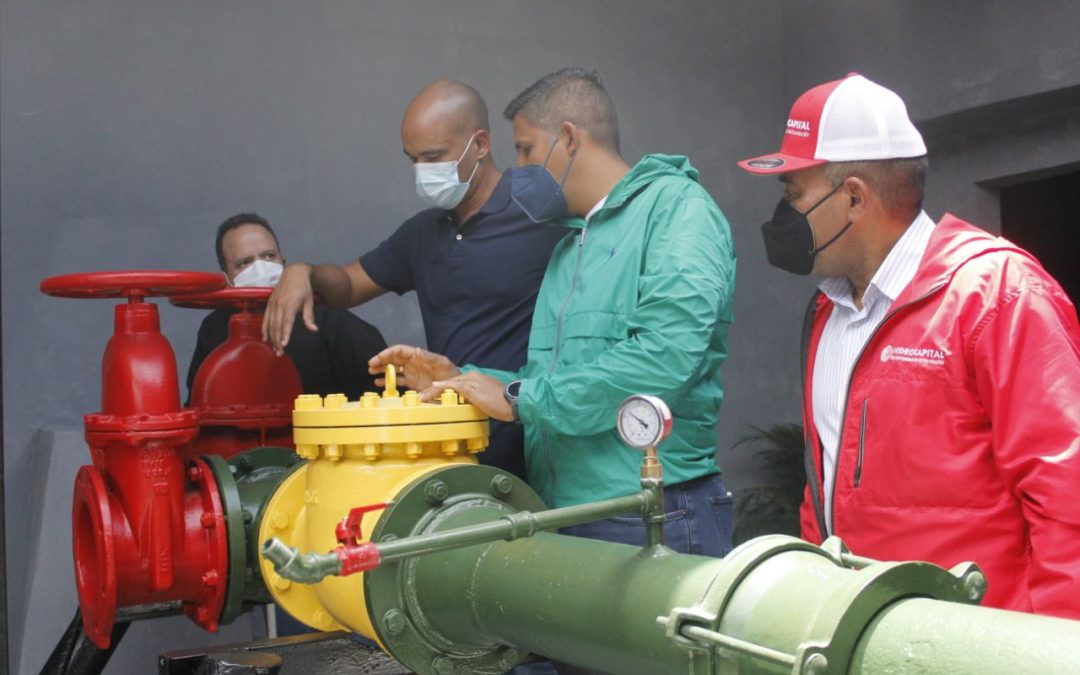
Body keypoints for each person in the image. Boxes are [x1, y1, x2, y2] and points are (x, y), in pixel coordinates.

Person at [737, 73, 1080, 618]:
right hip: (860, 634)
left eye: (793, 193)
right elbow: (820, 485)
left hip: (979, 643)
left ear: (852, 197)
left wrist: (1053, 652)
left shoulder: (997, 294)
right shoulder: (827, 310)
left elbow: (1067, 497)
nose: (783, 215)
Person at [370, 67, 737, 558]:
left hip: (653, 512)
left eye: (524, 149)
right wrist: (467, 378)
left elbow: (662, 358)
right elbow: (555, 380)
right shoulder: (572, 243)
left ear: (567, 138)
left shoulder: (677, 211)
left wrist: (520, 398)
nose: (517, 168)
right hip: (566, 512)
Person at [263, 80, 565, 482]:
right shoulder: (423, 234)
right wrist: (304, 271)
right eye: (413, 159)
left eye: (434, 157)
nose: (422, 172)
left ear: (480, 144)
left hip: (534, 442)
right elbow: (349, 285)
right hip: (454, 446)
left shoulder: (541, 209)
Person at [186, 213, 387, 402]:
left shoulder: (330, 323)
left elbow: (388, 394)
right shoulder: (213, 329)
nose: (261, 268)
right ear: (227, 278)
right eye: (245, 262)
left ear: (283, 262)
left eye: (269, 256)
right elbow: (197, 403)